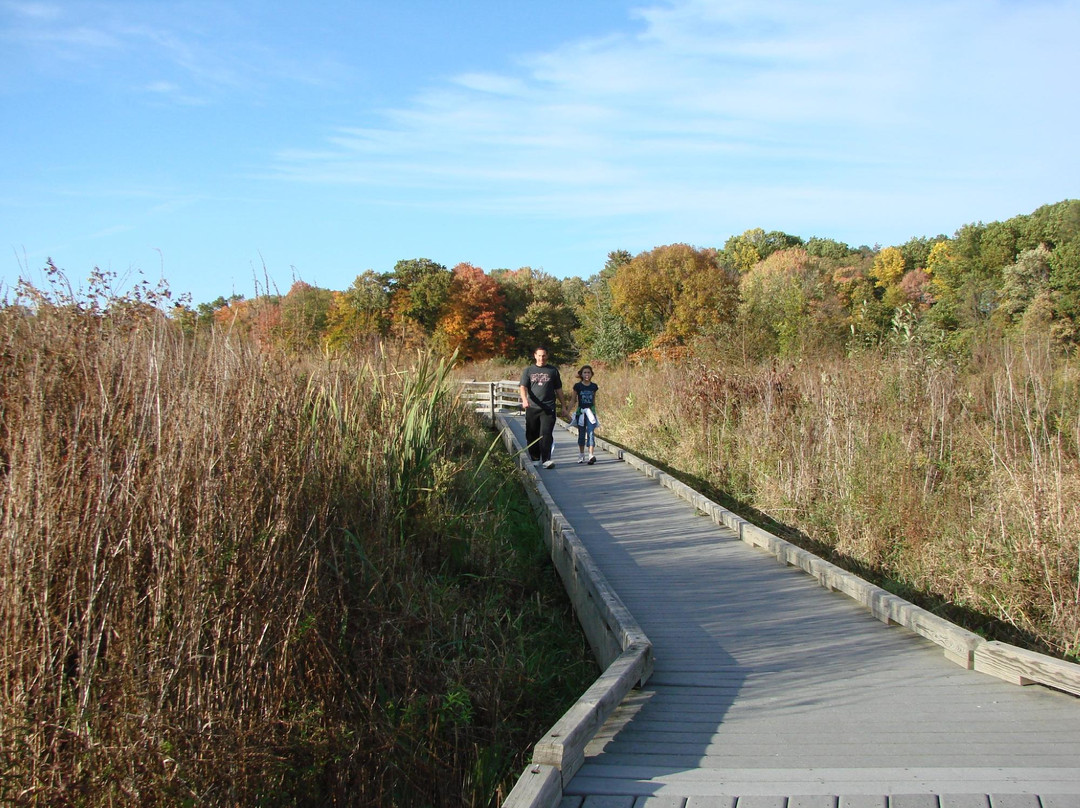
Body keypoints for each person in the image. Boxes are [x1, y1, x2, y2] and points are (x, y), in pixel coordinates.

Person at [519, 347, 563, 468]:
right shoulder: (528, 370)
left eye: (543, 356)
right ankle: (535, 457)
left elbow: (558, 389)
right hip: (532, 407)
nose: (541, 358)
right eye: (539, 355)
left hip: (548, 408)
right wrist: (524, 400)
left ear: (547, 356)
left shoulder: (553, 371)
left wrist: (563, 405)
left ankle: (546, 459)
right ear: (535, 356)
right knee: (532, 433)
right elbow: (523, 387)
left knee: (546, 433)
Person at [571, 365, 599, 465]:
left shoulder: (594, 386)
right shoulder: (577, 386)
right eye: (585, 373)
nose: (587, 374)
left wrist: (595, 413)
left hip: (591, 413)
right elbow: (573, 400)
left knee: (591, 433)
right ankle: (581, 454)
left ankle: (591, 455)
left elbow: (594, 400)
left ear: (591, 374)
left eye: (588, 372)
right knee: (581, 434)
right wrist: (567, 410)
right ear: (581, 374)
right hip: (581, 413)